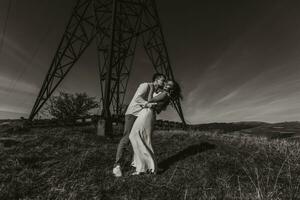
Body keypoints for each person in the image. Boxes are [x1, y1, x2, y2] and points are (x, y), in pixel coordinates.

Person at [112, 73, 166, 177]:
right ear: (156, 80)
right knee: (127, 138)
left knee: (140, 139)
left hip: (142, 116)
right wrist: (147, 104)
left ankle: (140, 165)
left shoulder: (156, 92)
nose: (164, 83)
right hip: (133, 113)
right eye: (162, 80)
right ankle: (117, 165)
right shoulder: (146, 85)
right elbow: (137, 98)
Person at [129, 80, 182, 175]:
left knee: (135, 136)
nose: (166, 84)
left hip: (147, 113)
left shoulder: (165, 94)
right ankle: (144, 166)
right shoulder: (166, 95)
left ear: (172, 88)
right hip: (148, 113)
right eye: (166, 83)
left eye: (169, 84)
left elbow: (150, 101)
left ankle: (144, 167)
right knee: (142, 138)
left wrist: (151, 89)